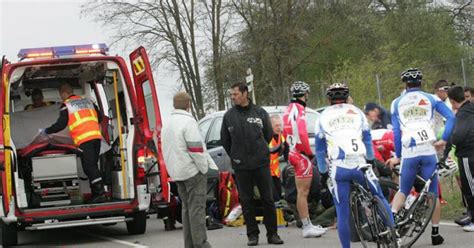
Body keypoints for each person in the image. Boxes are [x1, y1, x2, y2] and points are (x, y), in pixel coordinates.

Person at [315, 83, 394, 248]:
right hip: (360, 165)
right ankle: (395, 236)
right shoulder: (357, 112)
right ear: (346, 97)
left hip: (339, 169)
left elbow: (320, 150)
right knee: (378, 195)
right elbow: (367, 139)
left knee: (342, 211)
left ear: (329, 99)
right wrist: (371, 160)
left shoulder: (322, 116)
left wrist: (323, 172)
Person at [386, 68, 455, 245]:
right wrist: (444, 139)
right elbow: (451, 118)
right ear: (421, 83)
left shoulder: (397, 102)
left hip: (410, 152)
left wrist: (399, 156)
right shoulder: (432, 98)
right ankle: (435, 233)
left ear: (405, 84)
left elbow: (396, 133)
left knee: (403, 190)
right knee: (433, 193)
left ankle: (392, 225)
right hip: (428, 151)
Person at [220, 83, 284, 246]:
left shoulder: (260, 112)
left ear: (245, 93)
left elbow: (268, 135)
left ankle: (272, 234)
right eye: (231, 95)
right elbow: (226, 141)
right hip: (241, 166)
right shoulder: (228, 116)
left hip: (261, 163)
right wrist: (236, 156)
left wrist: (259, 151)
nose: (233, 97)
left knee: (268, 199)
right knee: (246, 201)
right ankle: (252, 235)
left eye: (235, 94)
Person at [161, 92, 215, 248]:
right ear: (188, 104)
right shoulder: (188, 122)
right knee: (197, 209)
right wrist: (203, 167)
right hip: (192, 171)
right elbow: (196, 148)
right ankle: (201, 244)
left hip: (177, 173)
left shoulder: (168, 123)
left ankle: (189, 244)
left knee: (186, 209)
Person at [40, 83, 105, 203]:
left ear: (65, 93)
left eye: (61, 94)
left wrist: (47, 131)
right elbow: (100, 117)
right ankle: (97, 194)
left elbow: (61, 124)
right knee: (93, 166)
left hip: (84, 140)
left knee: (89, 167)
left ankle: (100, 194)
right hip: (96, 137)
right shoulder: (88, 101)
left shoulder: (67, 105)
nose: (61, 97)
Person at [282, 81, 327, 238]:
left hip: (292, 151)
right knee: (303, 192)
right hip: (299, 154)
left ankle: (308, 224)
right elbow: (302, 133)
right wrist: (308, 152)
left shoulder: (288, 109)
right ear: (305, 94)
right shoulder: (300, 110)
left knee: (302, 192)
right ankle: (307, 226)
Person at [445, 86, 474, 232]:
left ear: (452, 101)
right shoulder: (471, 108)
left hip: (467, 154)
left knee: (469, 188)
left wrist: (449, 145)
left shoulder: (462, 114)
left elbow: (458, 134)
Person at [268, 114, 289, 202]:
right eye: (276, 125)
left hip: (275, 172)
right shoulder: (266, 137)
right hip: (266, 172)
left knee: (279, 194)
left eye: (280, 125)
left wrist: (289, 163)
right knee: (272, 196)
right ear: (270, 126)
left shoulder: (281, 136)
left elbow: (286, 151)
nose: (279, 128)